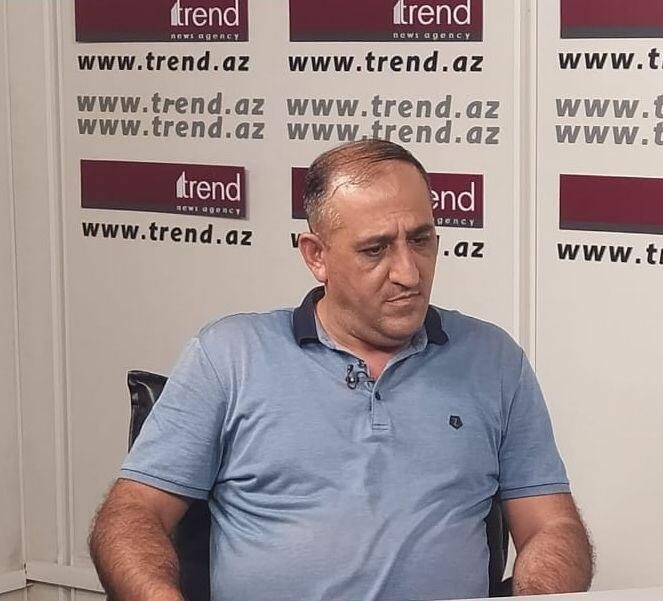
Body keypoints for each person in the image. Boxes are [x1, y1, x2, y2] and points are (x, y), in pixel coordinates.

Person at [89, 140, 593, 601]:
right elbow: (131, 515)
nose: (409, 273)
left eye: (421, 240)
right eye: (376, 249)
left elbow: (552, 528)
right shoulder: (229, 356)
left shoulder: (493, 360)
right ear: (317, 256)